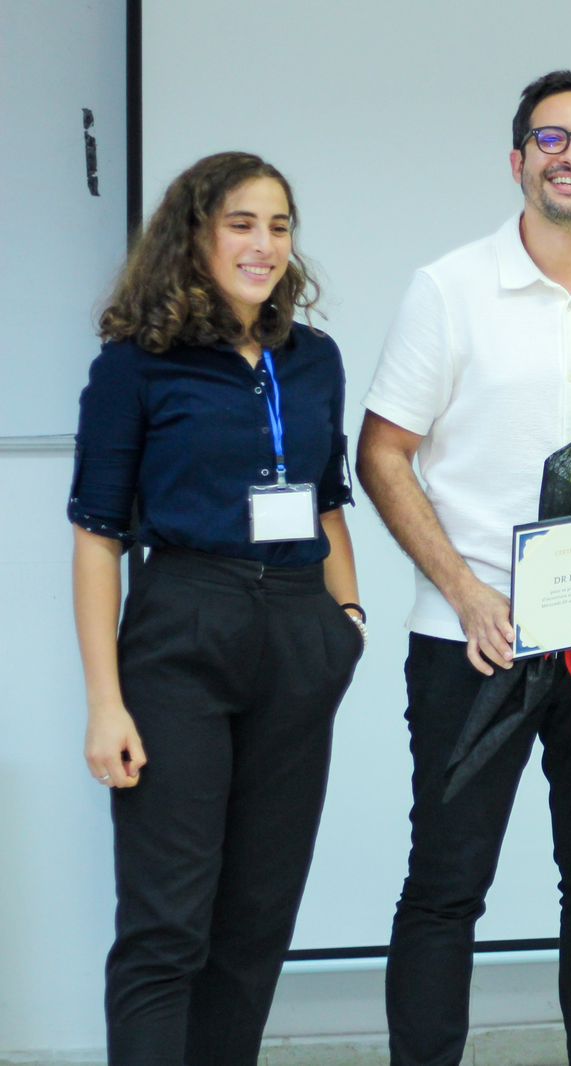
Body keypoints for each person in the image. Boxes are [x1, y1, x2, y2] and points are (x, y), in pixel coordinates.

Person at [357, 70, 571, 1066]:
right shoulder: (447, 289)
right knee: (446, 885)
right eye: (552, 139)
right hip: (473, 641)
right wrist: (466, 595)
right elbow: (381, 453)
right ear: (517, 160)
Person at [69, 151, 364, 1065]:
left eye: (279, 226)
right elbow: (98, 537)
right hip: (183, 629)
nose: (263, 244)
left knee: (258, 919)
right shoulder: (136, 366)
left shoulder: (314, 360)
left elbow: (326, 501)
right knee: (167, 923)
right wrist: (106, 704)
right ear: (194, 236)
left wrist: (347, 621)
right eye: (241, 223)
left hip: (298, 631)